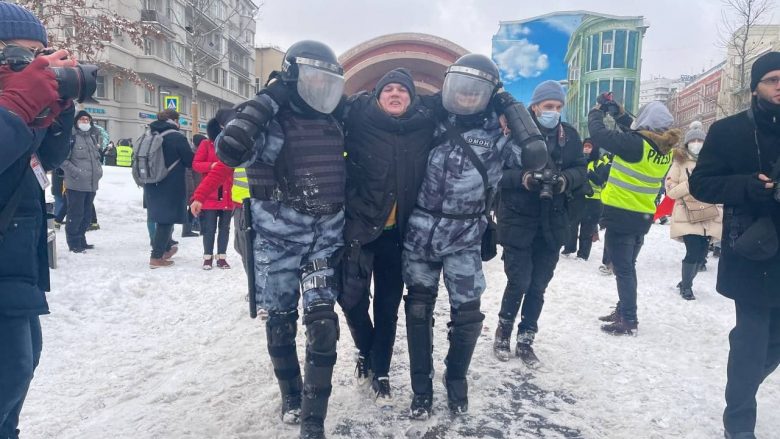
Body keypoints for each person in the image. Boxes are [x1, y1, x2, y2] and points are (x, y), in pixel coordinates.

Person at [402, 54, 544, 419]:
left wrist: (511, 110)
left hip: (464, 233)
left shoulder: (498, 132)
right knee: (418, 310)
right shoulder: (429, 121)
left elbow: (534, 156)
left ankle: (456, 380)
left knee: (466, 314)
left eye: (475, 92)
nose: (466, 97)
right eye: (460, 89)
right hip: (420, 233)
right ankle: (421, 387)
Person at [216, 40, 346, 439]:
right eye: (312, 80)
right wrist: (266, 100)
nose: (321, 90)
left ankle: (312, 421)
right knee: (282, 323)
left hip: (324, 241)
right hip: (278, 244)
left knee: (323, 325)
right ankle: (290, 395)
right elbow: (229, 150)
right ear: (291, 79)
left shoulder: (335, 121)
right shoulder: (270, 122)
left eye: (329, 82)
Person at [688, 51, 780, 439]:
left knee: (772, 346)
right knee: (752, 340)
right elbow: (701, 184)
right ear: (755, 87)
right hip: (754, 248)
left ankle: (743, 382)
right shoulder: (728, 131)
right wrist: (747, 186)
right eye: (773, 79)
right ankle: (739, 424)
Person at [0, 3, 77, 437]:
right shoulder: (10, 103)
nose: (32, 69)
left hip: (17, 268)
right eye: (18, 57)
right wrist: (15, 106)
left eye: (39, 57)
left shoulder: (16, 103)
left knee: (18, 375)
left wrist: (57, 112)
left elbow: (44, 160)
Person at [338, 68, 436, 403]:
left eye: (402, 91)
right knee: (350, 299)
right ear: (378, 96)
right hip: (360, 229)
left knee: (388, 305)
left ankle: (379, 367)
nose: (395, 94)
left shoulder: (423, 126)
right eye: (388, 89)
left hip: (399, 236)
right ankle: (366, 347)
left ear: (412, 98)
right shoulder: (358, 119)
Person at [493, 80, 587, 365]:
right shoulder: (513, 134)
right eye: (548, 106)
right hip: (518, 220)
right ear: (535, 107)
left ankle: (526, 338)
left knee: (538, 285)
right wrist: (523, 179)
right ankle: (503, 331)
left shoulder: (569, 136)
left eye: (558, 107)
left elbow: (581, 169)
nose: (554, 112)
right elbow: (495, 173)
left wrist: (563, 181)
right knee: (519, 281)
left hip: (553, 223)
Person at [588, 99, 679, 335]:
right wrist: (619, 113)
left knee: (624, 269)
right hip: (642, 216)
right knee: (628, 266)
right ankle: (624, 310)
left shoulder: (636, 145)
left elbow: (599, 134)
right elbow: (636, 130)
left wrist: (596, 112)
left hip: (622, 213)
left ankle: (628, 319)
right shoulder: (663, 149)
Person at [665, 121, 722, 300]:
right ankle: (687, 287)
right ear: (687, 143)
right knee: (693, 251)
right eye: (693, 140)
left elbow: (721, 187)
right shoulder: (679, 162)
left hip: (708, 213)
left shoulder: (714, 162)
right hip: (687, 214)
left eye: (700, 140)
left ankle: (685, 281)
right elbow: (671, 191)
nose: (696, 143)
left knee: (701, 255)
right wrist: (690, 184)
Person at [143, 109, 194, 268]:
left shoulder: (150, 134)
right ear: (174, 120)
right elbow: (189, 160)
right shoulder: (176, 137)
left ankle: (164, 250)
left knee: (159, 217)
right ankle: (156, 257)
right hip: (170, 183)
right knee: (166, 220)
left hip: (151, 182)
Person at [191, 109, 237, 269]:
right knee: (209, 228)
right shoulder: (206, 144)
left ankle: (222, 257)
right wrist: (212, 165)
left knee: (225, 228)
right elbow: (196, 164)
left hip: (228, 192)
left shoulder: (231, 145)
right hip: (211, 192)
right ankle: (207, 257)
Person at [60, 110, 103, 252]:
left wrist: (98, 171)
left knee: (86, 215)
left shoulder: (91, 137)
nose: (85, 122)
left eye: (87, 119)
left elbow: (96, 158)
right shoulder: (71, 137)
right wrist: (76, 172)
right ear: (76, 121)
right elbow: (62, 160)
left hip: (91, 184)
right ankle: (73, 243)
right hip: (75, 184)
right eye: (82, 119)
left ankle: (81, 239)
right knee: (75, 214)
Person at [578, 140, 611, 261]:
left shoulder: (599, 163)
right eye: (585, 146)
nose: (586, 149)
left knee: (587, 229)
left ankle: (583, 254)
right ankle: (569, 248)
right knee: (574, 225)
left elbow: (601, 181)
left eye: (589, 146)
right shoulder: (579, 160)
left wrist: (589, 173)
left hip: (594, 200)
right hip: (580, 198)